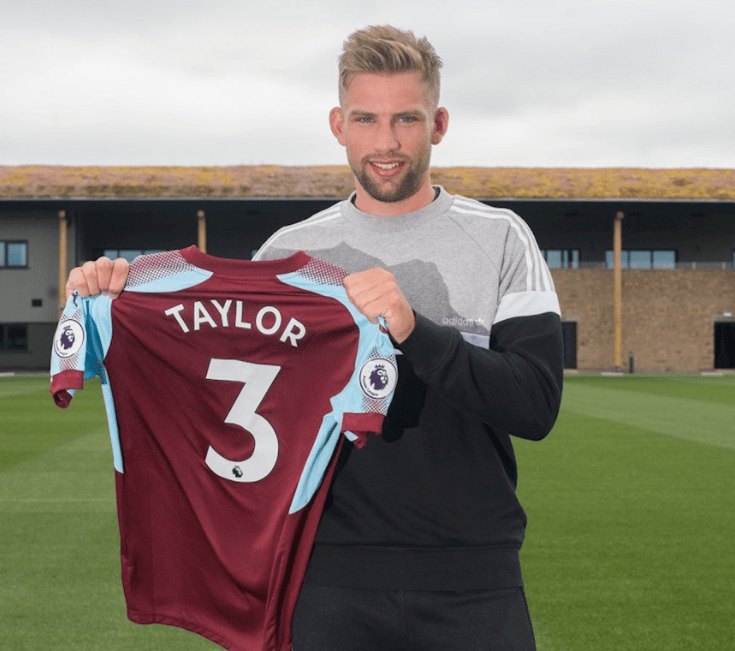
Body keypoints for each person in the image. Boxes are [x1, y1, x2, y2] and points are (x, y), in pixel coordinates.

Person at [67, 24, 563, 651]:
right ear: (338, 124)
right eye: (366, 119)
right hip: (323, 580)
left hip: (473, 580)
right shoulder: (288, 253)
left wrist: (415, 331)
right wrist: (123, 301)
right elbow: (212, 392)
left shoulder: (502, 238)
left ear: (438, 123)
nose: (386, 143)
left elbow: (535, 404)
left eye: (406, 119)